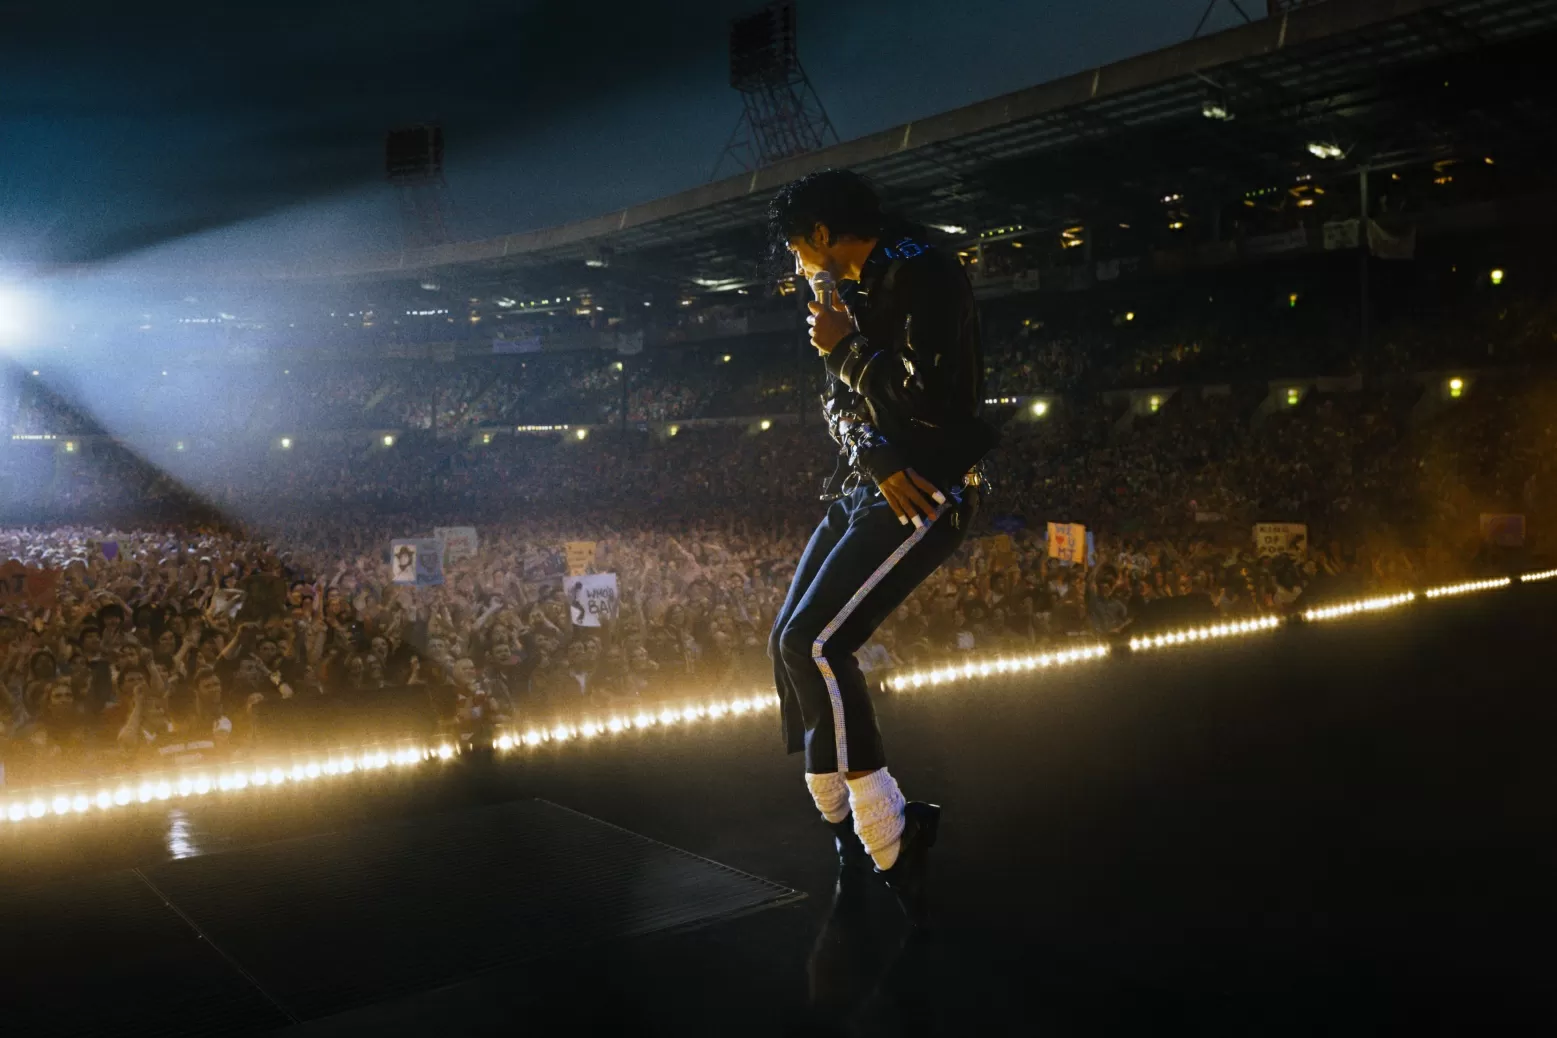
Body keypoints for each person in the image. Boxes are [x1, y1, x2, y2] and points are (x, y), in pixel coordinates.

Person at [765, 168, 998, 925]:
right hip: (873, 480)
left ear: (822, 234)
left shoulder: (925, 273)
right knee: (786, 641)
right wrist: (872, 452)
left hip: (928, 489)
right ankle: (841, 822)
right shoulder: (843, 287)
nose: (795, 261)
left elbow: (934, 399)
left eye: (797, 245)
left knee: (817, 643)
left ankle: (890, 835)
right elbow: (836, 401)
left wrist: (846, 351)